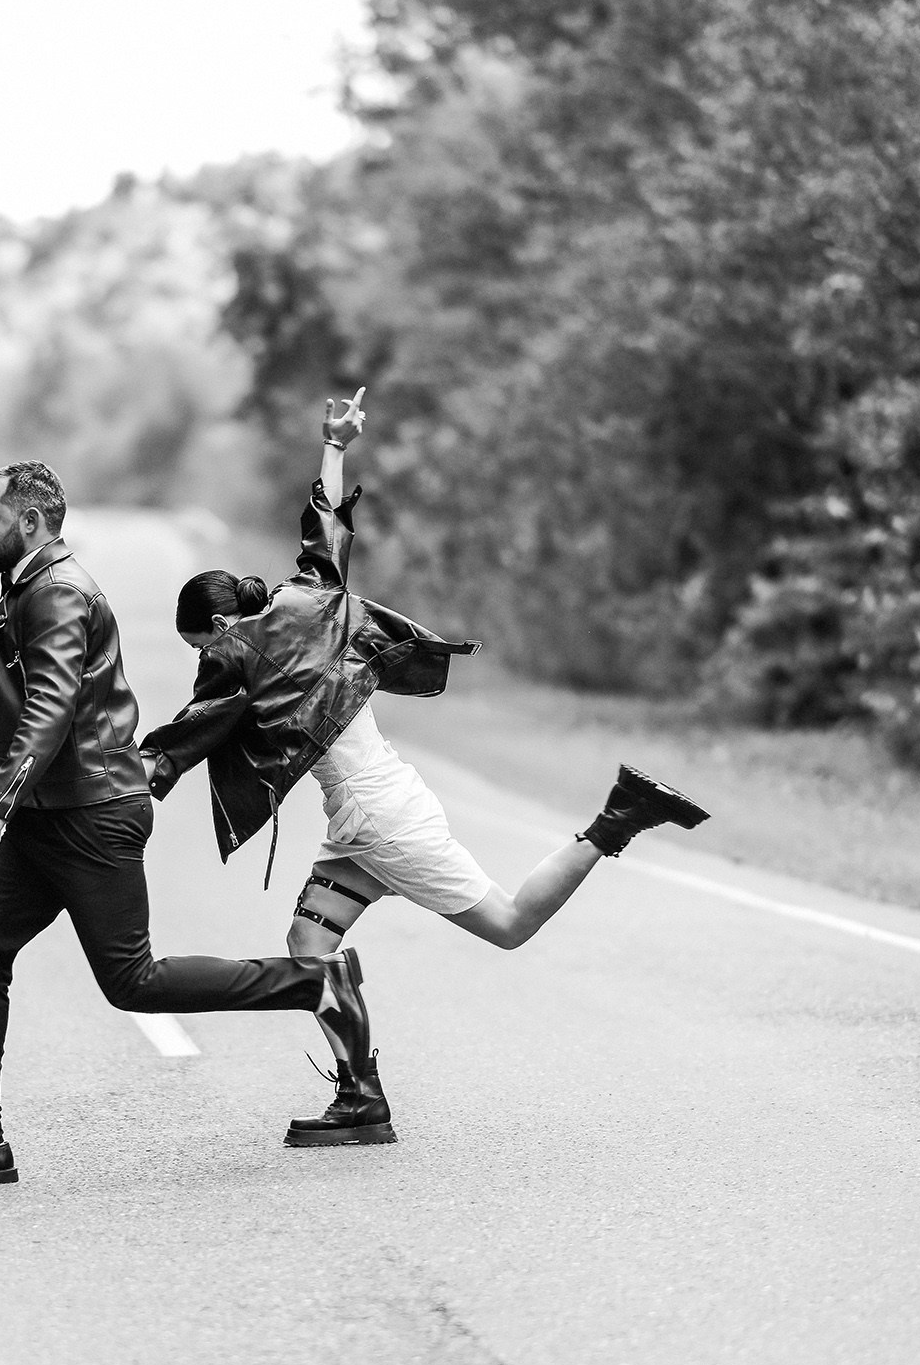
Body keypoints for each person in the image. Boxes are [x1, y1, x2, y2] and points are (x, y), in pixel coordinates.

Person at [140, 390, 710, 1147]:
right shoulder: (313, 598)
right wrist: (335, 445)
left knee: (509, 924)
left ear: (215, 627)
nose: (202, 662)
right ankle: (361, 1098)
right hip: (365, 821)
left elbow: (182, 738)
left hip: (383, 824)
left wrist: (118, 779)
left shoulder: (237, 652)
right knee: (311, 948)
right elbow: (329, 526)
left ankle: (618, 817)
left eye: (197, 648)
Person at [0, 460, 379, 1189]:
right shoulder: (36, 581)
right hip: (57, 811)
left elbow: (52, 704)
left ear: (29, 523)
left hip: (87, 815)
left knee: (134, 980)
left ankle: (316, 981)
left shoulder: (56, 594)